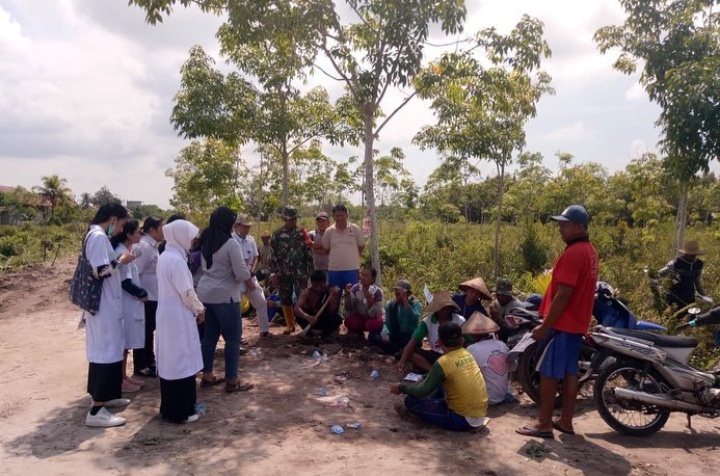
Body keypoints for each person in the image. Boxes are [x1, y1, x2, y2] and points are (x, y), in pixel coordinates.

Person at [517, 204, 598, 438]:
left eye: (565, 224)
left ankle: (544, 424)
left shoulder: (574, 253)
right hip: (576, 324)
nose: (560, 228)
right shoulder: (589, 251)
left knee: (549, 373)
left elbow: (564, 294)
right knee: (570, 373)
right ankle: (565, 420)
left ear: (579, 226)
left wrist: (545, 326)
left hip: (562, 324)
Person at [83, 203, 134, 428]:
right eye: (121, 223)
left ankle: (107, 398)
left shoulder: (99, 236)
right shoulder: (97, 237)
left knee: (110, 351)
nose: (122, 229)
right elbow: (100, 271)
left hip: (108, 304)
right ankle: (96, 411)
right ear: (113, 219)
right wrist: (122, 261)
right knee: (106, 352)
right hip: (103, 306)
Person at [390, 322, 489, 432]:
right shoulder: (467, 353)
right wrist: (425, 376)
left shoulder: (443, 362)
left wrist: (401, 387)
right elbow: (442, 372)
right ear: (462, 341)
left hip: (463, 420)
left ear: (439, 342)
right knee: (441, 386)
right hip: (480, 414)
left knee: (410, 401)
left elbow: (421, 391)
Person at [197, 207, 254, 393]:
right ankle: (232, 380)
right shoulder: (231, 244)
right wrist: (250, 272)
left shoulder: (206, 241)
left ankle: (207, 375)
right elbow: (240, 273)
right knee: (233, 337)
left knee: (210, 336)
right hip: (226, 295)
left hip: (206, 293)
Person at [155, 219, 205, 424]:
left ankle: (169, 409)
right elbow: (187, 292)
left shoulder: (167, 255)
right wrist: (200, 310)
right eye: (190, 237)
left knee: (170, 361)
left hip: (169, 314)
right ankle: (180, 412)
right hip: (178, 315)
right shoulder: (176, 260)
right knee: (181, 361)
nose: (192, 241)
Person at [110, 220, 149, 394]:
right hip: (125, 303)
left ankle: (124, 376)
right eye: (137, 232)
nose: (140, 235)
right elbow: (125, 282)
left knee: (127, 344)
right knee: (124, 344)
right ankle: (119, 379)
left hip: (129, 303)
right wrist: (142, 293)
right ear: (128, 235)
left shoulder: (127, 251)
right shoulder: (121, 253)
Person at [396, 291, 471, 373]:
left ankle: (439, 372)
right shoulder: (427, 321)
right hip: (436, 355)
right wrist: (402, 361)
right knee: (408, 352)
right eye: (442, 307)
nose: (445, 310)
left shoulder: (459, 320)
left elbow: (469, 341)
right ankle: (433, 371)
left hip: (456, 356)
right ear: (436, 308)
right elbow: (413, 342)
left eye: (447, 307)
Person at [269, 206, 314, 334]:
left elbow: (309, 253)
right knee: (285, 297)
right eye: (289, 219)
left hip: (301, 272)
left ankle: (304, 324)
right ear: (284, 219)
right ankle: (290, 325)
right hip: (283, 272)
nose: (292, 221)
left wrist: (311, 272)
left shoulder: (303, 233)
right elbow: (272, 256)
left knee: (303, 297)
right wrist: (274, 273)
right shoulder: (277, 235)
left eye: (294, 219)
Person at [132, 216, 164, 378]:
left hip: (153, 295)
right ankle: (141, 365)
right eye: (161, 227)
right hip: (146, 297)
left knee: (149, 329)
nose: (163, 231)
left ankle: (149, 360)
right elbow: (135, 271)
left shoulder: (153, 246)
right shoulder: (144, 247)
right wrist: (139, 293)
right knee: (144, 331)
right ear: (151, 229)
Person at [233, 214, 272, 339]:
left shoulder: (250, 240)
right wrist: (246, 277)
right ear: (238, 226)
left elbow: (255, 256)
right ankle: (237, 337)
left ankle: (264, 331)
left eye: (248, 227)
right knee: (236, 309)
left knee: (261, 302)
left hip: (250, 275)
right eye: (244, 226)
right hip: (237, 279)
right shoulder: (232, 240)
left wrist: (253, 271)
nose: (247, 229)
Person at [464, 312, 515, 405]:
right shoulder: (501, 344)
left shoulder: (471, 349)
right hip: (503, 394)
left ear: (472, 334)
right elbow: (513, 367)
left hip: (487, 399)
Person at [371, 280, 423, 355]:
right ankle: (396, 349)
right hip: (395, 335)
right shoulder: (391, 304)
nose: (398, 296)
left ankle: (394, 350)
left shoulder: (416, 304)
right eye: (397, 293)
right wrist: (386, 334)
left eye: (401, 294)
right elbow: (387, 322)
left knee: (410, 342)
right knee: (373, 335)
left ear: (409, 294)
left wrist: (405, 301)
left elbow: (414, 318)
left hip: (408, 336)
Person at [652, 238, 706, 309]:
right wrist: (660, 289)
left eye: (694, 254)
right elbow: (658, 274)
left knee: (690, 318)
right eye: (690, 254)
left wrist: (703, 296)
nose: (692, 256)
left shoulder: (698, 264)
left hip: (689, 298)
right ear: (685, 253)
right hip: (673, 298)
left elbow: (697, 282)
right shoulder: (675, 263)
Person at [322, 203, 365, 289]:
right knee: (334, 295)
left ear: (347, 215)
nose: (340, 218)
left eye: (342, 215)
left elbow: (361, 246)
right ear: (333, 216)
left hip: (352, 269)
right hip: (334, 269)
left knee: (352, 295)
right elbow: (326, 249)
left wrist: (354, 257)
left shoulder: (354, 229)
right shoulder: (329, 231)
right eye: (337, 216)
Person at [294, 270, 342, 339]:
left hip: (323, 319)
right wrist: (307, 316)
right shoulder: (306, 293)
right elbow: (296, 308)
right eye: (315, 285)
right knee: (298, 317)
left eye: (321, 285)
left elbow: (332, 310)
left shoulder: (329, 291)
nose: (318, 288)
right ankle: (309, 333)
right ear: (311, 283)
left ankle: (325, 333)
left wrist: (333, 298)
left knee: (337, 319)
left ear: (325, 283)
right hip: (310, 320)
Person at [344, 267, 384, 339]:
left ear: (372, 279)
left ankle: (374, 335)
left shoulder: (377, 292)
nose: (363, 277)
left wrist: (370, 302)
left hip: (372, 318)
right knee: (349, 321)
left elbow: (377, 312)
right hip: (361, 317)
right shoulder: (355, 288)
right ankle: (359, 333)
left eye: (366, 276)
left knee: (372, 324)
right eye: (362, 274)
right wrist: (348, 294)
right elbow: (349, 307)